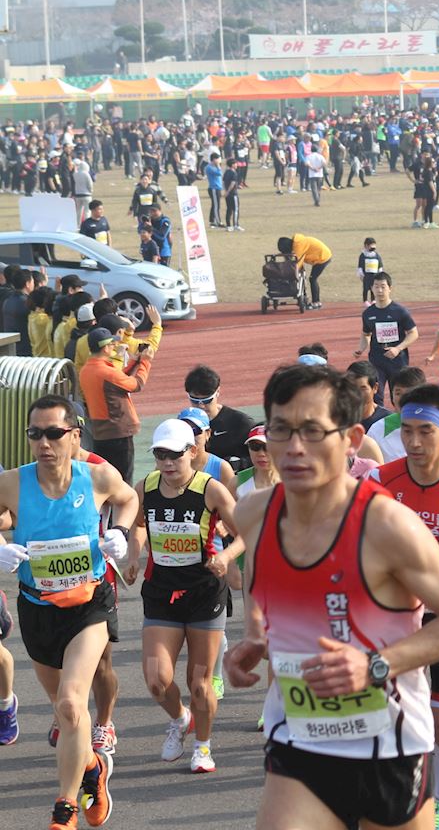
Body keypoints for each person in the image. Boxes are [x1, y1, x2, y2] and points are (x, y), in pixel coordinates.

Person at [222, 364, 439, 830]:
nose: (294, 447)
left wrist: (374, 665)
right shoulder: (253, 514)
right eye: (281, 429)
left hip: (388, 746)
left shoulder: (386, 525)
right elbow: (266, 591)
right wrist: (256, 637)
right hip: (299, 737)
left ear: (350, 438)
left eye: (312, 431)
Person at [0, 395, 140, 830]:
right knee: (67, 715)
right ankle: (94, 768)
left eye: (54, 433)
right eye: (35, 434)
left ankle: (65, 808)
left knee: (71, 702)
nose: (44, 442)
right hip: (37, 606)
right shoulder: (11, 483)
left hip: (88, 605)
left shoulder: (96, 476)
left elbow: (129, 498)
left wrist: (118, 530)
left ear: (75, 435)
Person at [374, 385, 439, 830]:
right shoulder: (380, 481)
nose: (414, 443)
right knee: (395, 726)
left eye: (425, 433)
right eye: (407, 432)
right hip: (395, 624)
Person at [125, 419, 242, 773]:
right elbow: (139, 525)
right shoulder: (145, 487)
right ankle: (180, 719)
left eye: (174, 455)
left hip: (204, 593)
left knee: (200, 681)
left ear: (192, 452)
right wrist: (134, 556)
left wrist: (224, 556)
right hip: (161, 592)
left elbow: (245, 534)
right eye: (160, 455)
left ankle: (203, 748)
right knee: (156, 679)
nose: (167, 463)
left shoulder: (211, 490)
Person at [79, 326, 154, 482]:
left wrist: (135, 361)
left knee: (105, 480)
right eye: (112, 344)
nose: (114, 346)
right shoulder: (107, 372)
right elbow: (137, 384)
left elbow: (117, 379)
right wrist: (145, 362)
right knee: (124, 480)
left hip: (100, 434)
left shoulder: (86, 370)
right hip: (119, 433)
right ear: (105, 348)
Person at [355, 273, 420, 403]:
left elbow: (414, 333)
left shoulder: (400, 311)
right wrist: (361, 349)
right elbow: (366, 334)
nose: (379, 290)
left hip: (397, 361)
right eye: (376, 286)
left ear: (390, 288)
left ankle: (400, 421)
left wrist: (398, 348)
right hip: (377, 359)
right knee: (376, 394)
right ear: (371, 288)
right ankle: (378, 422)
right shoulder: (368, 313)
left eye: (383, 287)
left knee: (399, 396)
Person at [183, 365, 259, 473]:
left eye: (207, 400)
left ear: (218, 391)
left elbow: (265, 454)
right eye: (195, 400)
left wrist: (241, 463)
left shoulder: (240, 423)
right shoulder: (184, 424)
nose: (201, 406)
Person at [277, 234, 333, 308]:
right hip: (321, 255)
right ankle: (311, 300)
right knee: (309, 277)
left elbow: (297, 263)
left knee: (313, 279)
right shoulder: (297, 243)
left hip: (323, 258)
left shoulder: (299, 246)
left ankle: (316, 302)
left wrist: (291, 273)